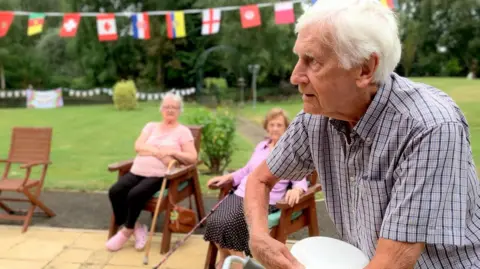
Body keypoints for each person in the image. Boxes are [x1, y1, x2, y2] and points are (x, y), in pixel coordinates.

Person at [243, 1, 480, 269]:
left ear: (365, 69)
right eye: (299, 58)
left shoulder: (430, 127)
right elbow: (260, 180)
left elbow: (393, 263)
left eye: (312, 61)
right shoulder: (317, 116)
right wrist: (259, 237)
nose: (295, 76)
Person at [204, 108, 308, 269]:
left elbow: (300, 179)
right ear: (267, 127)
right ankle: (226, 258)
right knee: (214, 220)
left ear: (286, 128)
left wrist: (297, 190)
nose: (274, 128)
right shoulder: (261, 146)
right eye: (271, 124)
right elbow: (246, 170)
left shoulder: (290, 152)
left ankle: (239, 263)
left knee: (229, 224)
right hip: (241, 193)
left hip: (265, 200)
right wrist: (228, 178)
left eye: (279, 125)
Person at [106, 92, 197, 252]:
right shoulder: (151, 126)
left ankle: (127, 231)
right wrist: (159, 153)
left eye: (174, 108)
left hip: (160, 175)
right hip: (138, 170)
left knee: (134, 194)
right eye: (167, 107)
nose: (170, 110)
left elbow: (192, 157)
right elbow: (138, 146)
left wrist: (173, 152)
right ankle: (137, 227)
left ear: (179, 111)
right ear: (161, 109)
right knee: (115, 191)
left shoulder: (183, 131)